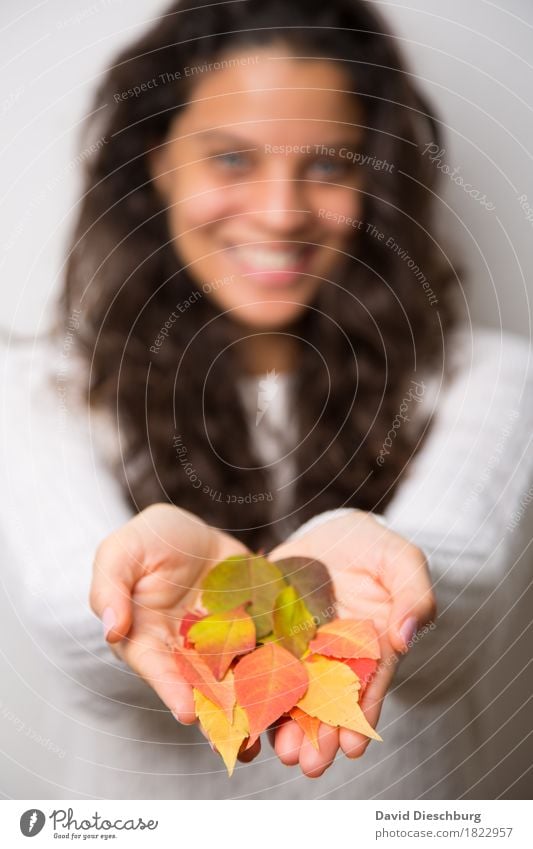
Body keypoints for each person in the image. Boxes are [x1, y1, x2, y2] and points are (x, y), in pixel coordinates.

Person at [1, 0, 531, 800]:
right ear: (157, 161)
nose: (282, 213)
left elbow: (451, 618)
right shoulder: (44, 390)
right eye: (231, 159)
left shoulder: (488, 377)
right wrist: (141, 595)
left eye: (327, 164)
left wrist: (378, 565)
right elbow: (79, 630)